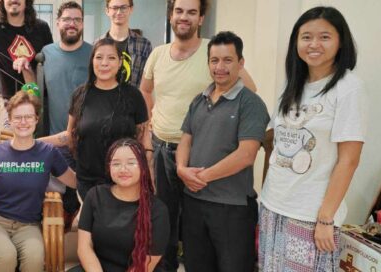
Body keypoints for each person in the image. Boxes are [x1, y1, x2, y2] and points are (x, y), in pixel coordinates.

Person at [139, 0, 256, 269]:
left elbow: (249, 89)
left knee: (195, 225)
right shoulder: (157, 54)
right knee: (163, 218)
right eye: (179, 11)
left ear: (201, 18)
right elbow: (145, 90)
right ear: (171, 15)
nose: (184, 17)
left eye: (192, 12)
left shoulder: (213, 53)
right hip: (161, 148)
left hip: (199, 154)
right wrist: (150, 127)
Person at [259, 6, 365, 271]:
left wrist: (326, 218)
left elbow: (348, 160)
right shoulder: (294, 83)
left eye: (324, 37)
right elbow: (276, 139)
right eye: (306, 37)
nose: (314, 44)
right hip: (274, 204)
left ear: (341, 42)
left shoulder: (348, 88)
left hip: (311, 213)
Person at [176, 31, 269, 272]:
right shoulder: (199, 100)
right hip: (194, 203)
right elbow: (186, 139)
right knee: (196, 266)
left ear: (241, 63)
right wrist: (181, 169)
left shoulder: (251, 103)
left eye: (228, 60)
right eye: (214, 60)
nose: (220, 67)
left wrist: (201, 178)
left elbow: (246, 154)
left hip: (232, 207)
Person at [0, 91, 77, 272]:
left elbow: (74, 181)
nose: (23, 122)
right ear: (10, 121)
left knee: (35, 259)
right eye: (18, 117)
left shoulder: (48, 153)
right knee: (6, 256)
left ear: (36, 119)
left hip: (28, 226)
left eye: (28, 117)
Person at [41, 38, 150, 200]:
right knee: (89, 225)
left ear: (120, 62)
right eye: (99, 57)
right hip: (88, 183)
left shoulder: (133, 95)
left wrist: (148, 178)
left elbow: (144, 141)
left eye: (111, 58)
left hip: (124, 181)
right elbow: (69, 135)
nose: (104, 63)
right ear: (91, 61)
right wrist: (33, 141)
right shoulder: (80, 95)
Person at [75, 138, 169, 272]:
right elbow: (84, 247)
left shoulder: (157, 210)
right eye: (116, 164)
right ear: (109, 167)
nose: (123, 169)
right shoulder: (95, 195)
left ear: (143, 167)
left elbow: (147, 263)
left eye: (131, 163)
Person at [40, 0, 91, 226]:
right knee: (58, 203)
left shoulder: (93, 54)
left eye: (77, 20)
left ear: (82, 24)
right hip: (56, 141)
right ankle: (60, 254)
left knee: (87, 200)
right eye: (67, 19)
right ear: (58, 23)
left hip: (88, 141)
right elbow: (37, 91)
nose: (72, 24)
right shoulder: (46, 53)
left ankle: (84, 249)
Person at [97, 0, 151, 88]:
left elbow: (147, 83)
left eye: (123, 7)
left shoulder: (144, 45)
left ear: (131, 9)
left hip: (134, 100)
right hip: (104, 100)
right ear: (107, 10)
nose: (119, 12)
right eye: (114, 8)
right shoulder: (97, 44)